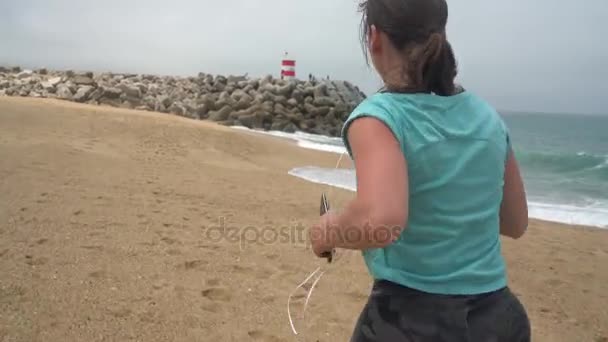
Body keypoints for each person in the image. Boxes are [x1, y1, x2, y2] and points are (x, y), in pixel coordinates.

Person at [309, 0, 531, 341]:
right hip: (499, 319)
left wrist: (329, 230)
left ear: (374, 38)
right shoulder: (487, 116)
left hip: (408, 320)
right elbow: (515, 222)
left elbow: (380, 222)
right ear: (440, 33)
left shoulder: (379, 117)